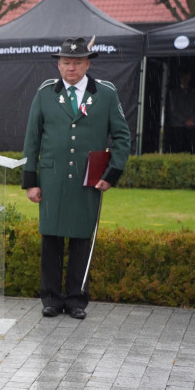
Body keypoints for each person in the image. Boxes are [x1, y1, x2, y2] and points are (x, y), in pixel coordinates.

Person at [23, 37, 131, 320]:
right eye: (66, 62)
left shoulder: (105, 94)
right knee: (51, 240)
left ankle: (76, 300)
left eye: (78, 62)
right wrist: (30, 181)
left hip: (89, 179)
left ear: (87, 64)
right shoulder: (46, 93)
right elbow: (32, 138)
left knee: (82, 240)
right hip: (51, 178)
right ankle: (50, 298)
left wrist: (112, 174)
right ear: (59, 64)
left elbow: (122, 136)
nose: (72, 67)